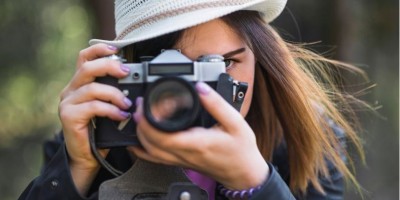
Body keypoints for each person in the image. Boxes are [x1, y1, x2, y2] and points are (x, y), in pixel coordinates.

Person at [19, 0, 366, 199]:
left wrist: (255, 183)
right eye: (170, 72)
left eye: (222, 64)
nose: (194, 90)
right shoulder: (103, 134)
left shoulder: (304, 141)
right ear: (130, 70)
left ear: (262, 58)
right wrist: (75, 169)